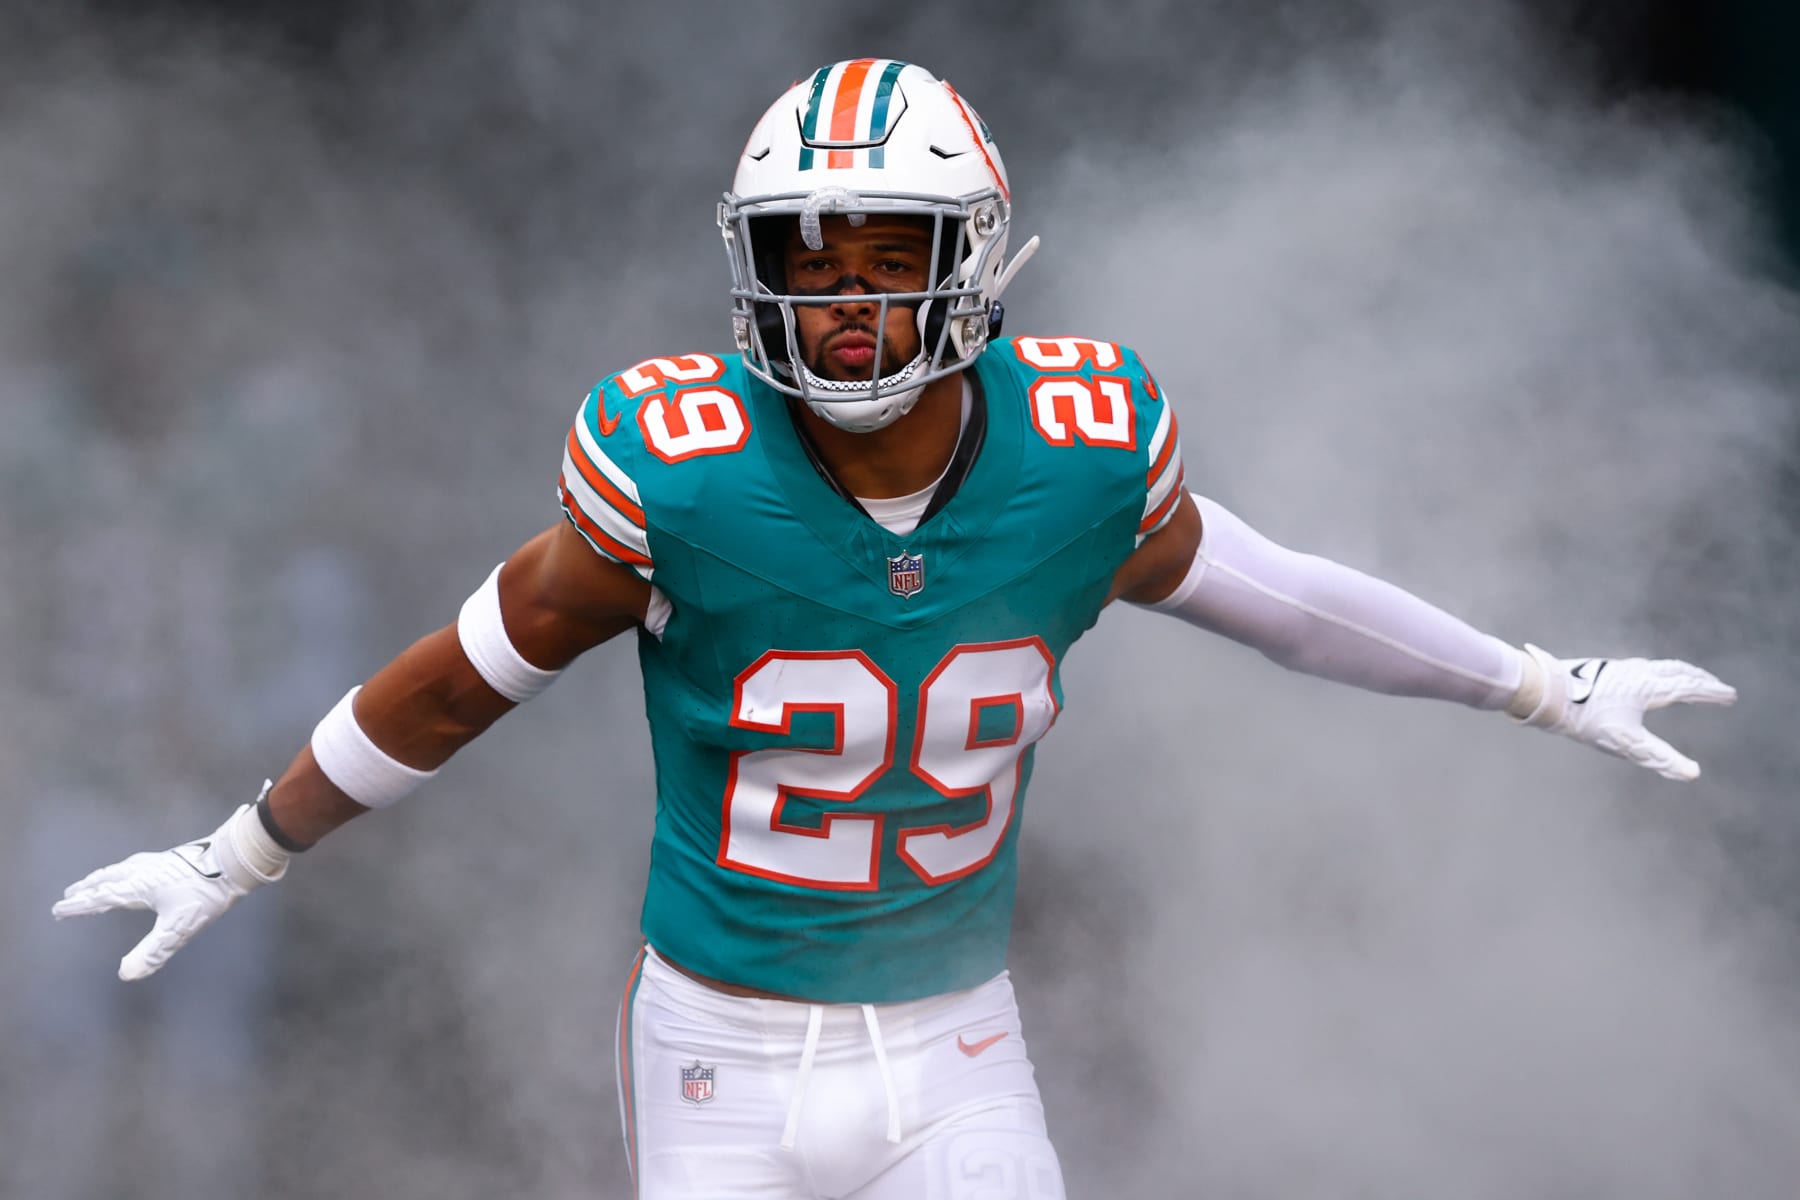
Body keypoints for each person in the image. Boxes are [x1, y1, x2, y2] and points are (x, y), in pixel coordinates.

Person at [54, 60, 1736, 1199]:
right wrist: (240, 849)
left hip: (958, 1043)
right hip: (711, 1044)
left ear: (976, 260)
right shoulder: (682, 476)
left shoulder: (1078, 458)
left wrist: (1537, 682)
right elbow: (455, 679)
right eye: (805, 253)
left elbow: (1283, 601)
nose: (840, 298)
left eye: (886, 252)